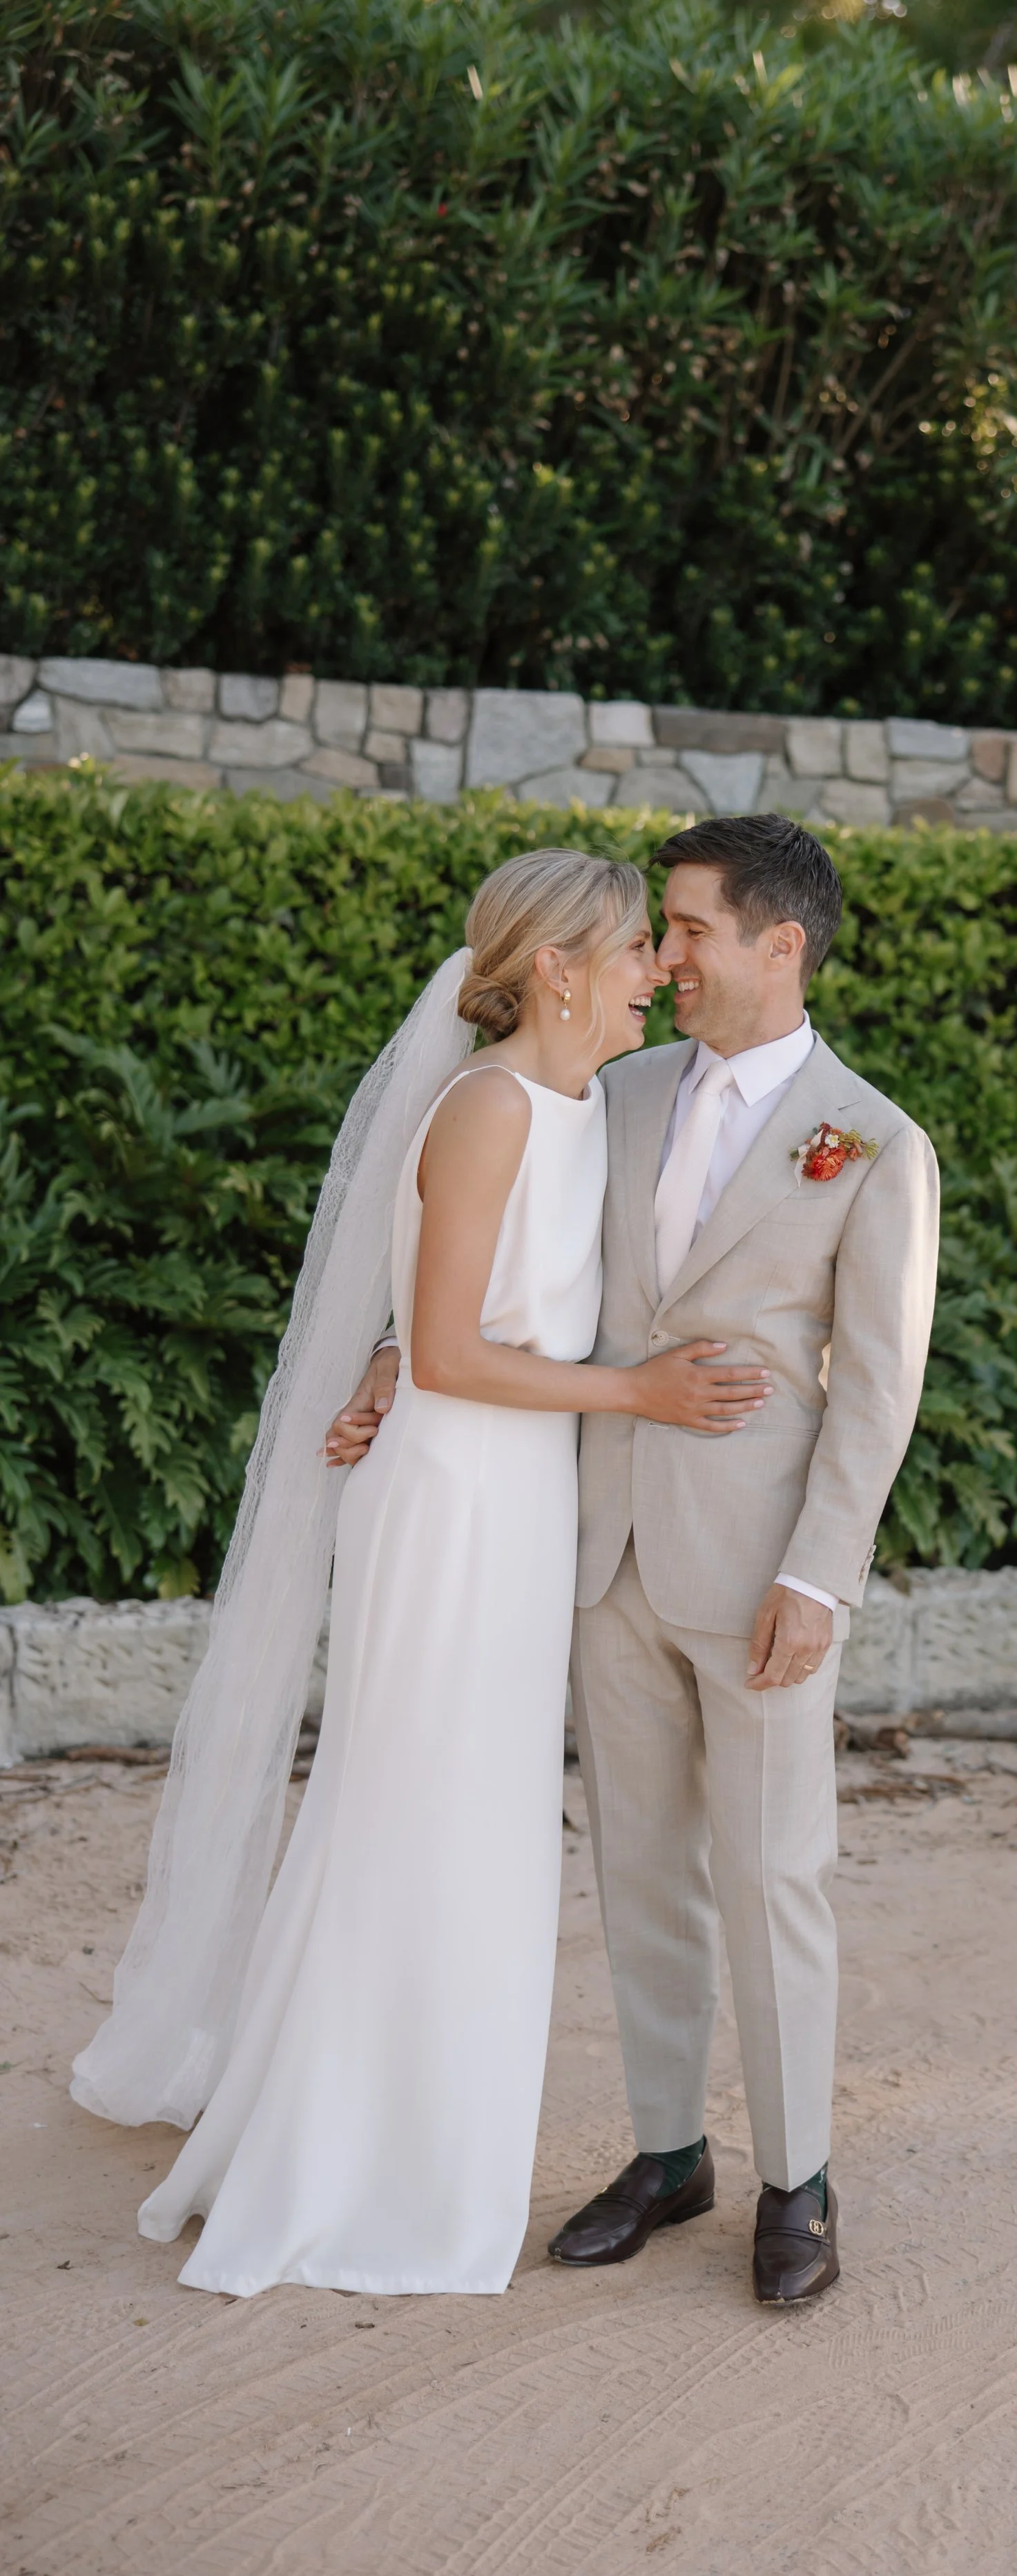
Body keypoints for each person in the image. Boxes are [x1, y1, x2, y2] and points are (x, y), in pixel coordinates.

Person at [73, 848, 773, 2298]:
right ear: (559, 968)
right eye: (635, 947)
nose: (657, 970)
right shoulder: (485, 1107)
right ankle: (347, 2157)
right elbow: (452, 1350)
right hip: (451, 1499)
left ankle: (423, 2140)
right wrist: (632, 1394)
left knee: (479, 1822)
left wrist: (398, 1348)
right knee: (412, 1806)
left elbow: (448, 1317)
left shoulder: (588, 1106)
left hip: (520, 1498)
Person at [331, 814, 940, 2304]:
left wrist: (820, 1576)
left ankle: (797, 2179)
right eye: (658, 932)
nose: (664, 959)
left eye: (688, 931)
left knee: (773, 1875)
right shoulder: (613, 1089)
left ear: (779, 945)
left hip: (760, 1579)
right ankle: (670, 2153)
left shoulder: (874, 1142)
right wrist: (394, 1355)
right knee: (642, 1869)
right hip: (599, 1552)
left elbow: (877, 1389)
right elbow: (498, 1251)